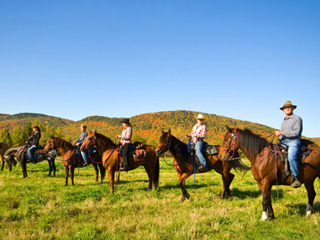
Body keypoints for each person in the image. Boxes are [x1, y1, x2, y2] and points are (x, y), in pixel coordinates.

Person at [275, 101, 303, 188]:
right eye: (286, 107)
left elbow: (297, 132)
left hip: (294, 142)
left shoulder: (297, 118)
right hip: (284, 142)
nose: (287, 108)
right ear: (283, 110)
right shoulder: (284, 120)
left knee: (291, 156)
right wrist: (280, 137)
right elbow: (284, 134)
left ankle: (295, 177)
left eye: (289, 107)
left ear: (292, 108)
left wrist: (282, 132)